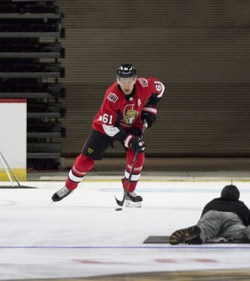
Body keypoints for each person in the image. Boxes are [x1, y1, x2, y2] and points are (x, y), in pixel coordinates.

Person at [52, 64, 165, 207]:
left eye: (129, 80)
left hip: (132, 125)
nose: (126, 84)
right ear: (117, 80)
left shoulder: (145, 85)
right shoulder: (112, 96)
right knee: (86, 158)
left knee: (138, 155)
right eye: (122, 80)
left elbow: (160, 88)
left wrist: (151, 109)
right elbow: (109, 127)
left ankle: (129, 191)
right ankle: (69, 187)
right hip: (106, 127)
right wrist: (129, 140)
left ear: (135, 79)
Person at [169, 184, 250, 245]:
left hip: (212, 215)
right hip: (233, 219)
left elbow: (203, 219)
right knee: (245, 232)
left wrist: (198, 227)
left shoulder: (212, 203)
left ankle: (197, 233)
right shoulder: (240, 205)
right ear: (237, 197)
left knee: (205, 228)